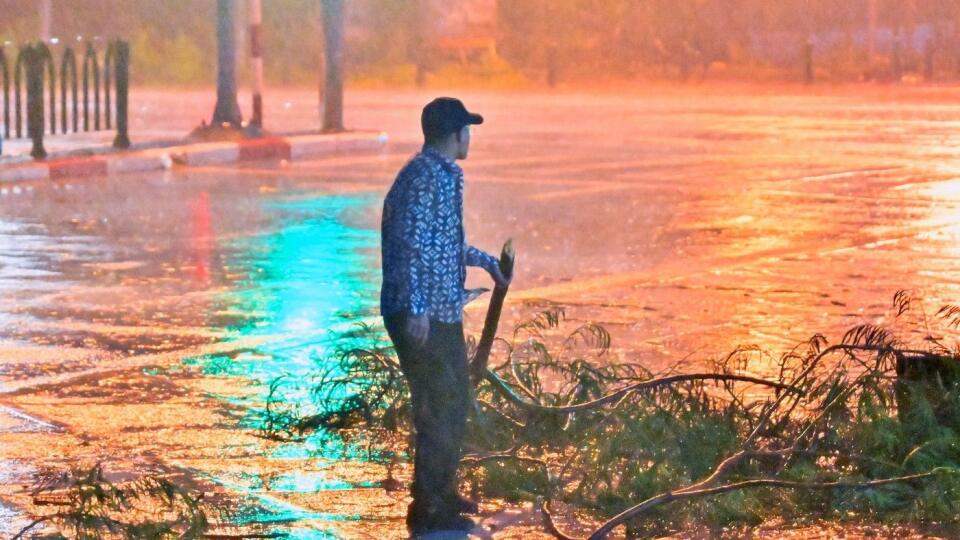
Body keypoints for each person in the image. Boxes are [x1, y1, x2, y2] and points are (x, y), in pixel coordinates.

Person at [380, 97, 510, 535]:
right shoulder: (421, 178)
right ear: (455, 134)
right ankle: (429, 504)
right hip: (421, 312)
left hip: (442, 307)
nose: (469, 137)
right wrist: (415, 308)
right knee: (438, 403)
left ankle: (441, 490)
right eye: (466, 129)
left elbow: (443, 245)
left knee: (453, 400)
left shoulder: (443, 176)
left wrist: (485, 261)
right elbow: (409, 243)